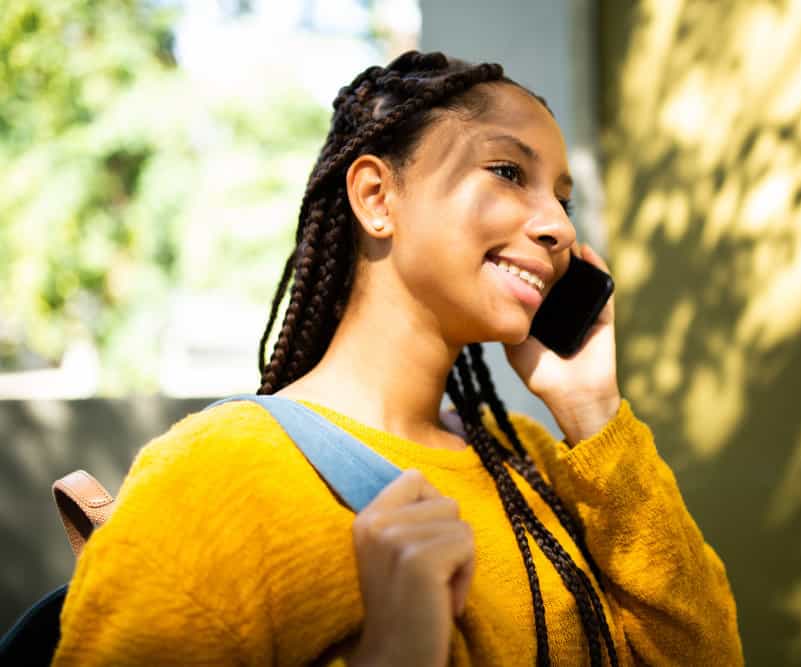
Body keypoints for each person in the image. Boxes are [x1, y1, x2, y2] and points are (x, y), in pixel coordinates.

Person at [53, 51, 743, 666]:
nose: (559, 226)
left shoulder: (533, 461)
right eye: (508, 172)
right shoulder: (215, 475)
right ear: (377, 198)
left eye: (561, 197)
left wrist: (593, 410)